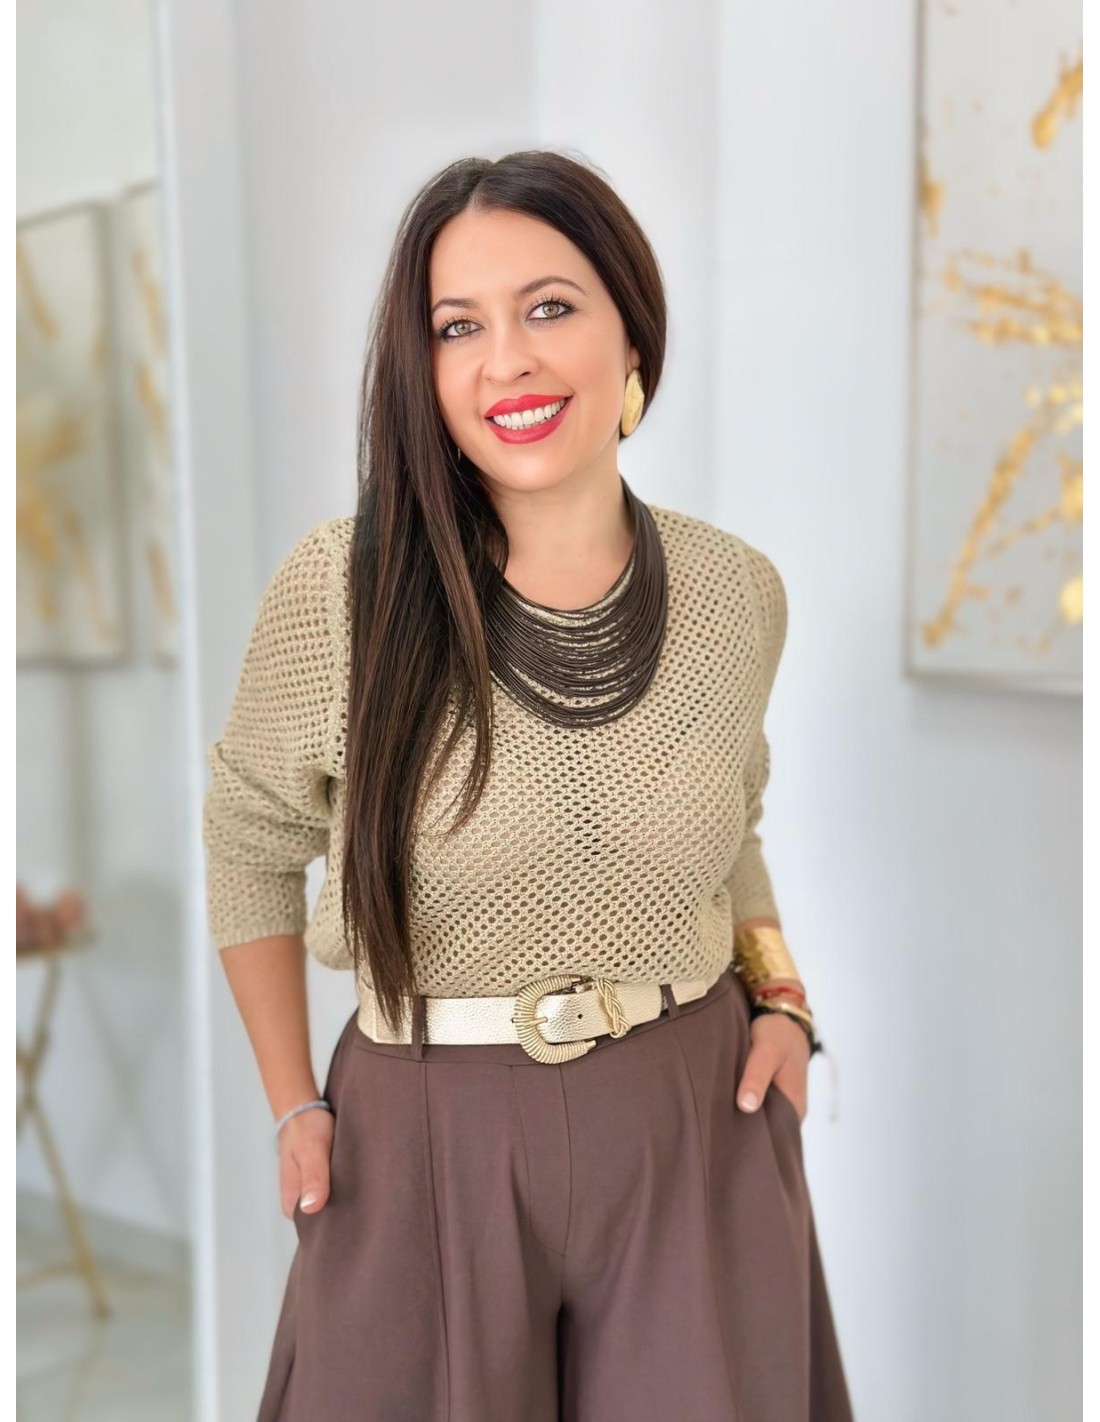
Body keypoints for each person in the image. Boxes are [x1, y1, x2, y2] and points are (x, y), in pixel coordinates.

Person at [203, 149, 853, 1421]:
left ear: (631, 335)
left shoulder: (734, 592)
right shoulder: (341, 590)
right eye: (458, 326)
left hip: (690, 1114)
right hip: (423, 1127)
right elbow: (249, 842)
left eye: (548, 307)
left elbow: (732, 826)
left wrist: (781, 998)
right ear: (422, 369)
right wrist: (293, 1104)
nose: (505, 361)